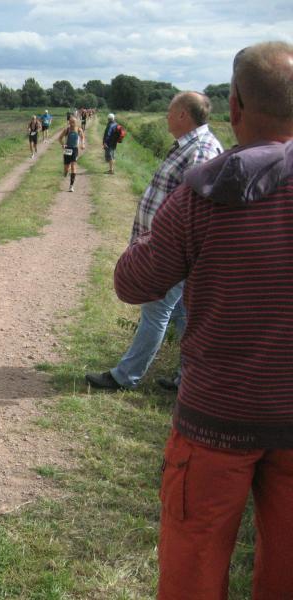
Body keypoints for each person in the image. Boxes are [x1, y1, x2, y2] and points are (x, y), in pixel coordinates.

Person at [113, 41, 293, 599]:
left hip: (215, 418)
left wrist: (150, 238)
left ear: (235, 106)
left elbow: (132, 283)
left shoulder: (204, 195)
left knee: (193, 567)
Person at [85, 92, 223, 392]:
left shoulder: (201, 150)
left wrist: (168, 247)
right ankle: (188, 379)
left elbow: (196, 206)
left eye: (170, 111)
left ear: (184, 115)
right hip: (169, 247)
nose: (166, 116)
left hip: (173, 251)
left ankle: (125, 377)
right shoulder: (189, 146)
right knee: (182, 314)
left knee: (156, 311)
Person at [58, 115, 85, 192]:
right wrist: (63, 144)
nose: (72, 123)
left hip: (75, 149)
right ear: (69, 122)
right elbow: (59, 138)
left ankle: (71, 186)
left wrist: (82, 144)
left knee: (73, 166)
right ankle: (66, 172)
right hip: (67, 149)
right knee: (66, 168)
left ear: (76, 122)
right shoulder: (66, 130)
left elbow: (82, 137)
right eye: (71, 122)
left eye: (73, 122)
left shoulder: (79, 129)